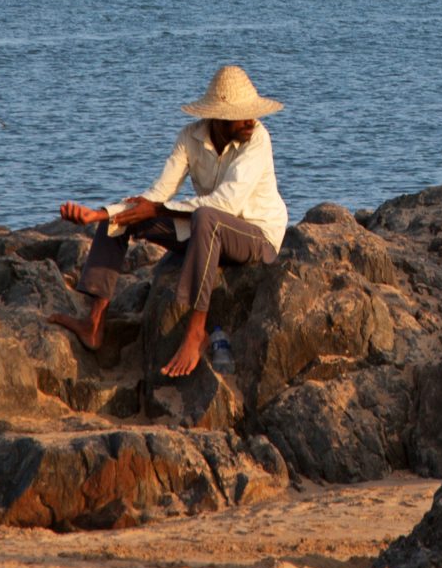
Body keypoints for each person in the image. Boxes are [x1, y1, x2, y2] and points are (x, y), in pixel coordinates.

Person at [49, 65, 289, 379]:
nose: (250, 120)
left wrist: (160, 211)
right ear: (218, 117)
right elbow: (157, 195)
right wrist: (101, 214)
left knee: (206, 217)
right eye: (242, 114)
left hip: (257, 237)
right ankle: (94, 324)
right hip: (207, 230)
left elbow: (225, 204)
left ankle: (195, 333)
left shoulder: (258, 139)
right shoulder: (190, 137)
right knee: (123, 220)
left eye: (251, 113)